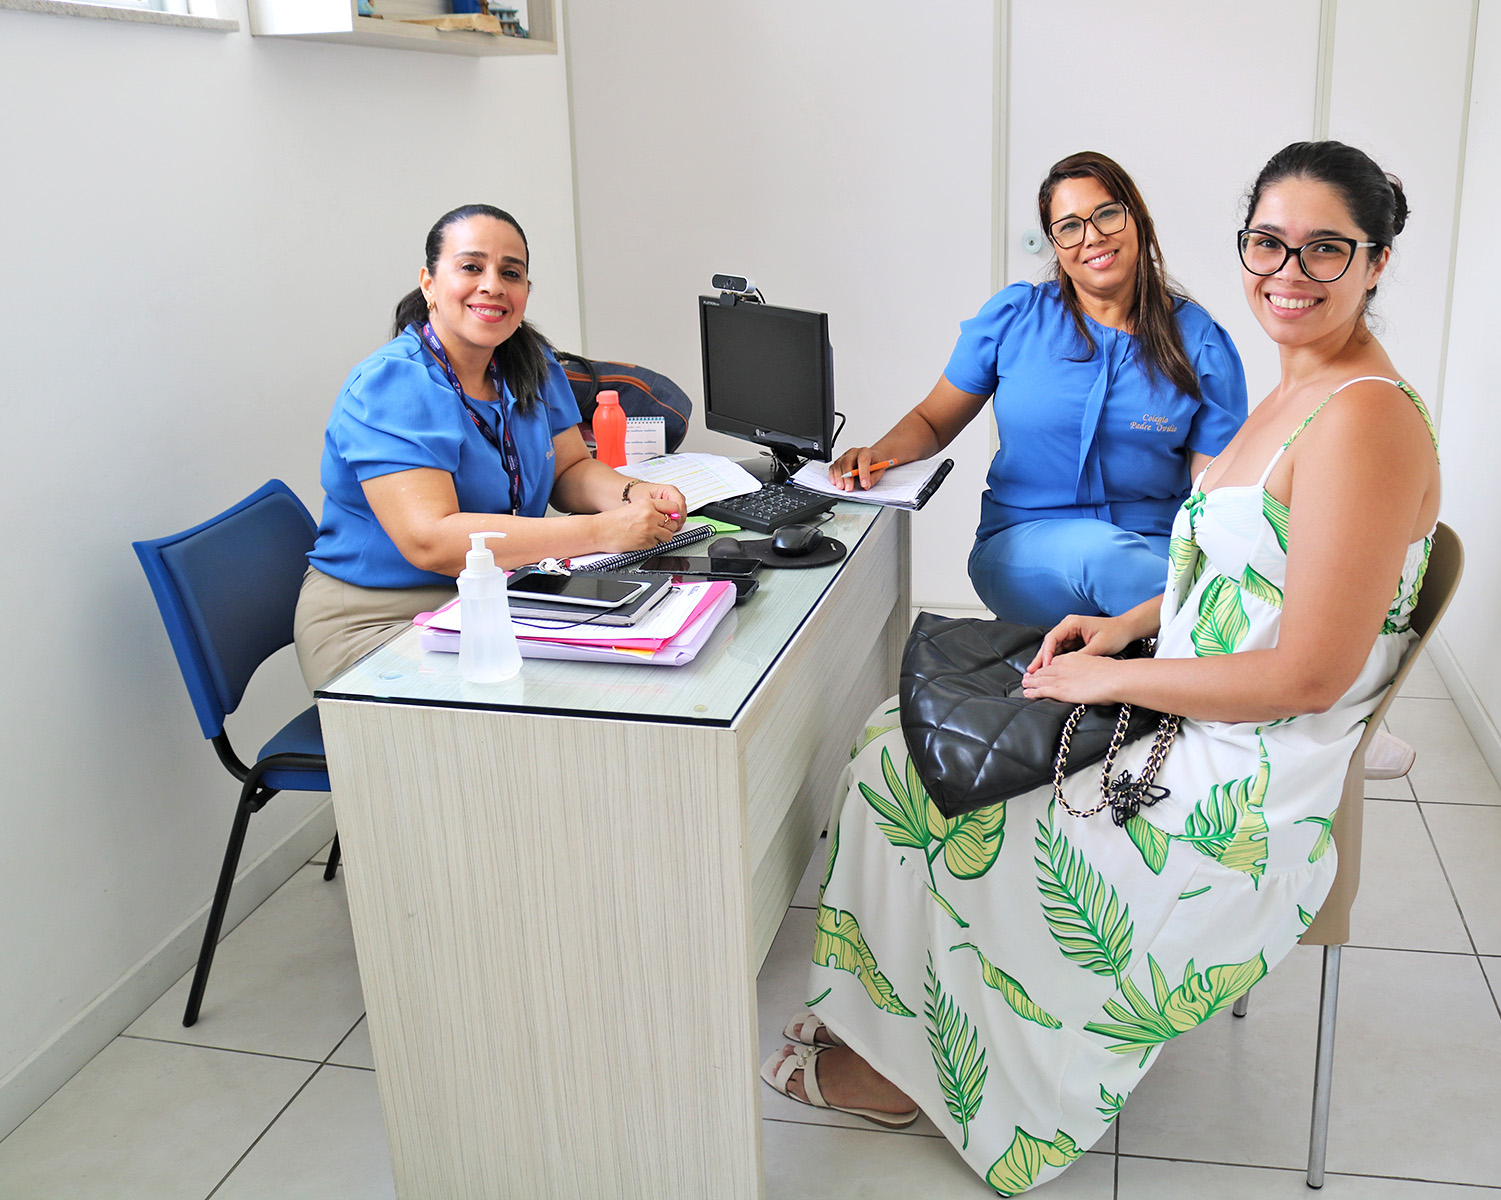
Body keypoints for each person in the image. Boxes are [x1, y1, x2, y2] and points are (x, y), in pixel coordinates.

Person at [765, 141, 1439, 1193]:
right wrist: (1126, 626)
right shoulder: (1297, 387)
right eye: (1268, 243)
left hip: (1241, 772)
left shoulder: (1360, 418)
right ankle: (895, 1024)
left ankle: (929, 1072)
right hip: (1197, 695)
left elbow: (1308, 675)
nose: (1288, 272)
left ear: (1376, 260)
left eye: (1325, 249)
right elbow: (1235, 567)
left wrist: (1114, 679)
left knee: (907, 777)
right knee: (892, 738)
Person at [828, 151, 1248, 625]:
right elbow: (932, 421)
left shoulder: (1201, 343)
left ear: (1138, 218)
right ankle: (1234, 626)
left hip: (1154, 550)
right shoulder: (1014, 318)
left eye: (1107, 214)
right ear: (1055, 243)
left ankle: (1171, 629)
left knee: (1142, 567)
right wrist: (878, 455)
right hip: (1023, 546)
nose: (1092, 237)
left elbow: (1213, 499)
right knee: (1102, 556)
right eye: (1069, 227)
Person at [294, 204, 687, 689]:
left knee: (629, 676)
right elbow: (431, 540)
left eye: (510, 273)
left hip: (496, 597)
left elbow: (568, 470)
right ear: (429, 283)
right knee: (557, 703)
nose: (493, 286)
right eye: (471, 267)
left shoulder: (529, 362)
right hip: (382, 617)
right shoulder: (392, 384)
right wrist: (603, 532)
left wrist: (632, 494)